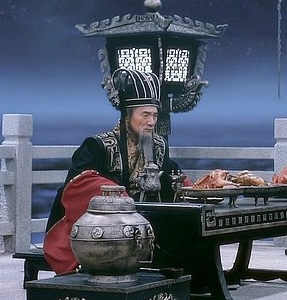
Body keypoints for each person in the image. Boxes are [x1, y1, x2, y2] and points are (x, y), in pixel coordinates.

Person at [44, 68, 186, 274]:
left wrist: (194, 187)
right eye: (145, 115)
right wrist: (120, 195)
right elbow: (78, 183)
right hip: (104, 224)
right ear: (127, 116)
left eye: (155, 115)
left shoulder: (158, 145)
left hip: (147, 220)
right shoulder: (98, 145)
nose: (152, 122)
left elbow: (171, 174)